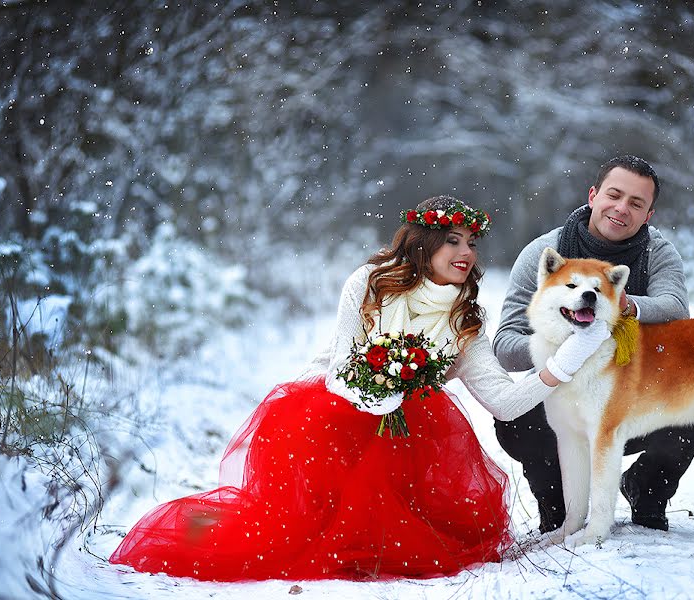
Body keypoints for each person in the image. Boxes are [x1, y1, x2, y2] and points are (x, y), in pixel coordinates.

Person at [109, 195, 609, 582]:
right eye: (453, 241)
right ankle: (203, 534)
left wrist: (563, 361)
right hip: (332, 410)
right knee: (283, 537)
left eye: (471, 244)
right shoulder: (370, 282)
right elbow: (343, 366)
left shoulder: (465, 318)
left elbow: (502, 401)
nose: (466, 253)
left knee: (415, 534)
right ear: (422, 242)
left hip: (406, 431)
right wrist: (383, 390)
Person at [492, 155, 694, 534]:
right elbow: (505, 344)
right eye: (614, 195)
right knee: (514, 420)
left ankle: (646, 490)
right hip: (562, 400)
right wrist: (563, 343)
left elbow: (677, 312)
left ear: (648, 215)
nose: (621, 208)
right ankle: (558, 508)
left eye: (636, 203)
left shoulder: (657, 253)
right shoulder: (545, 255)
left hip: (636, 399)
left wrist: (624, 305)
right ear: (593, 195)